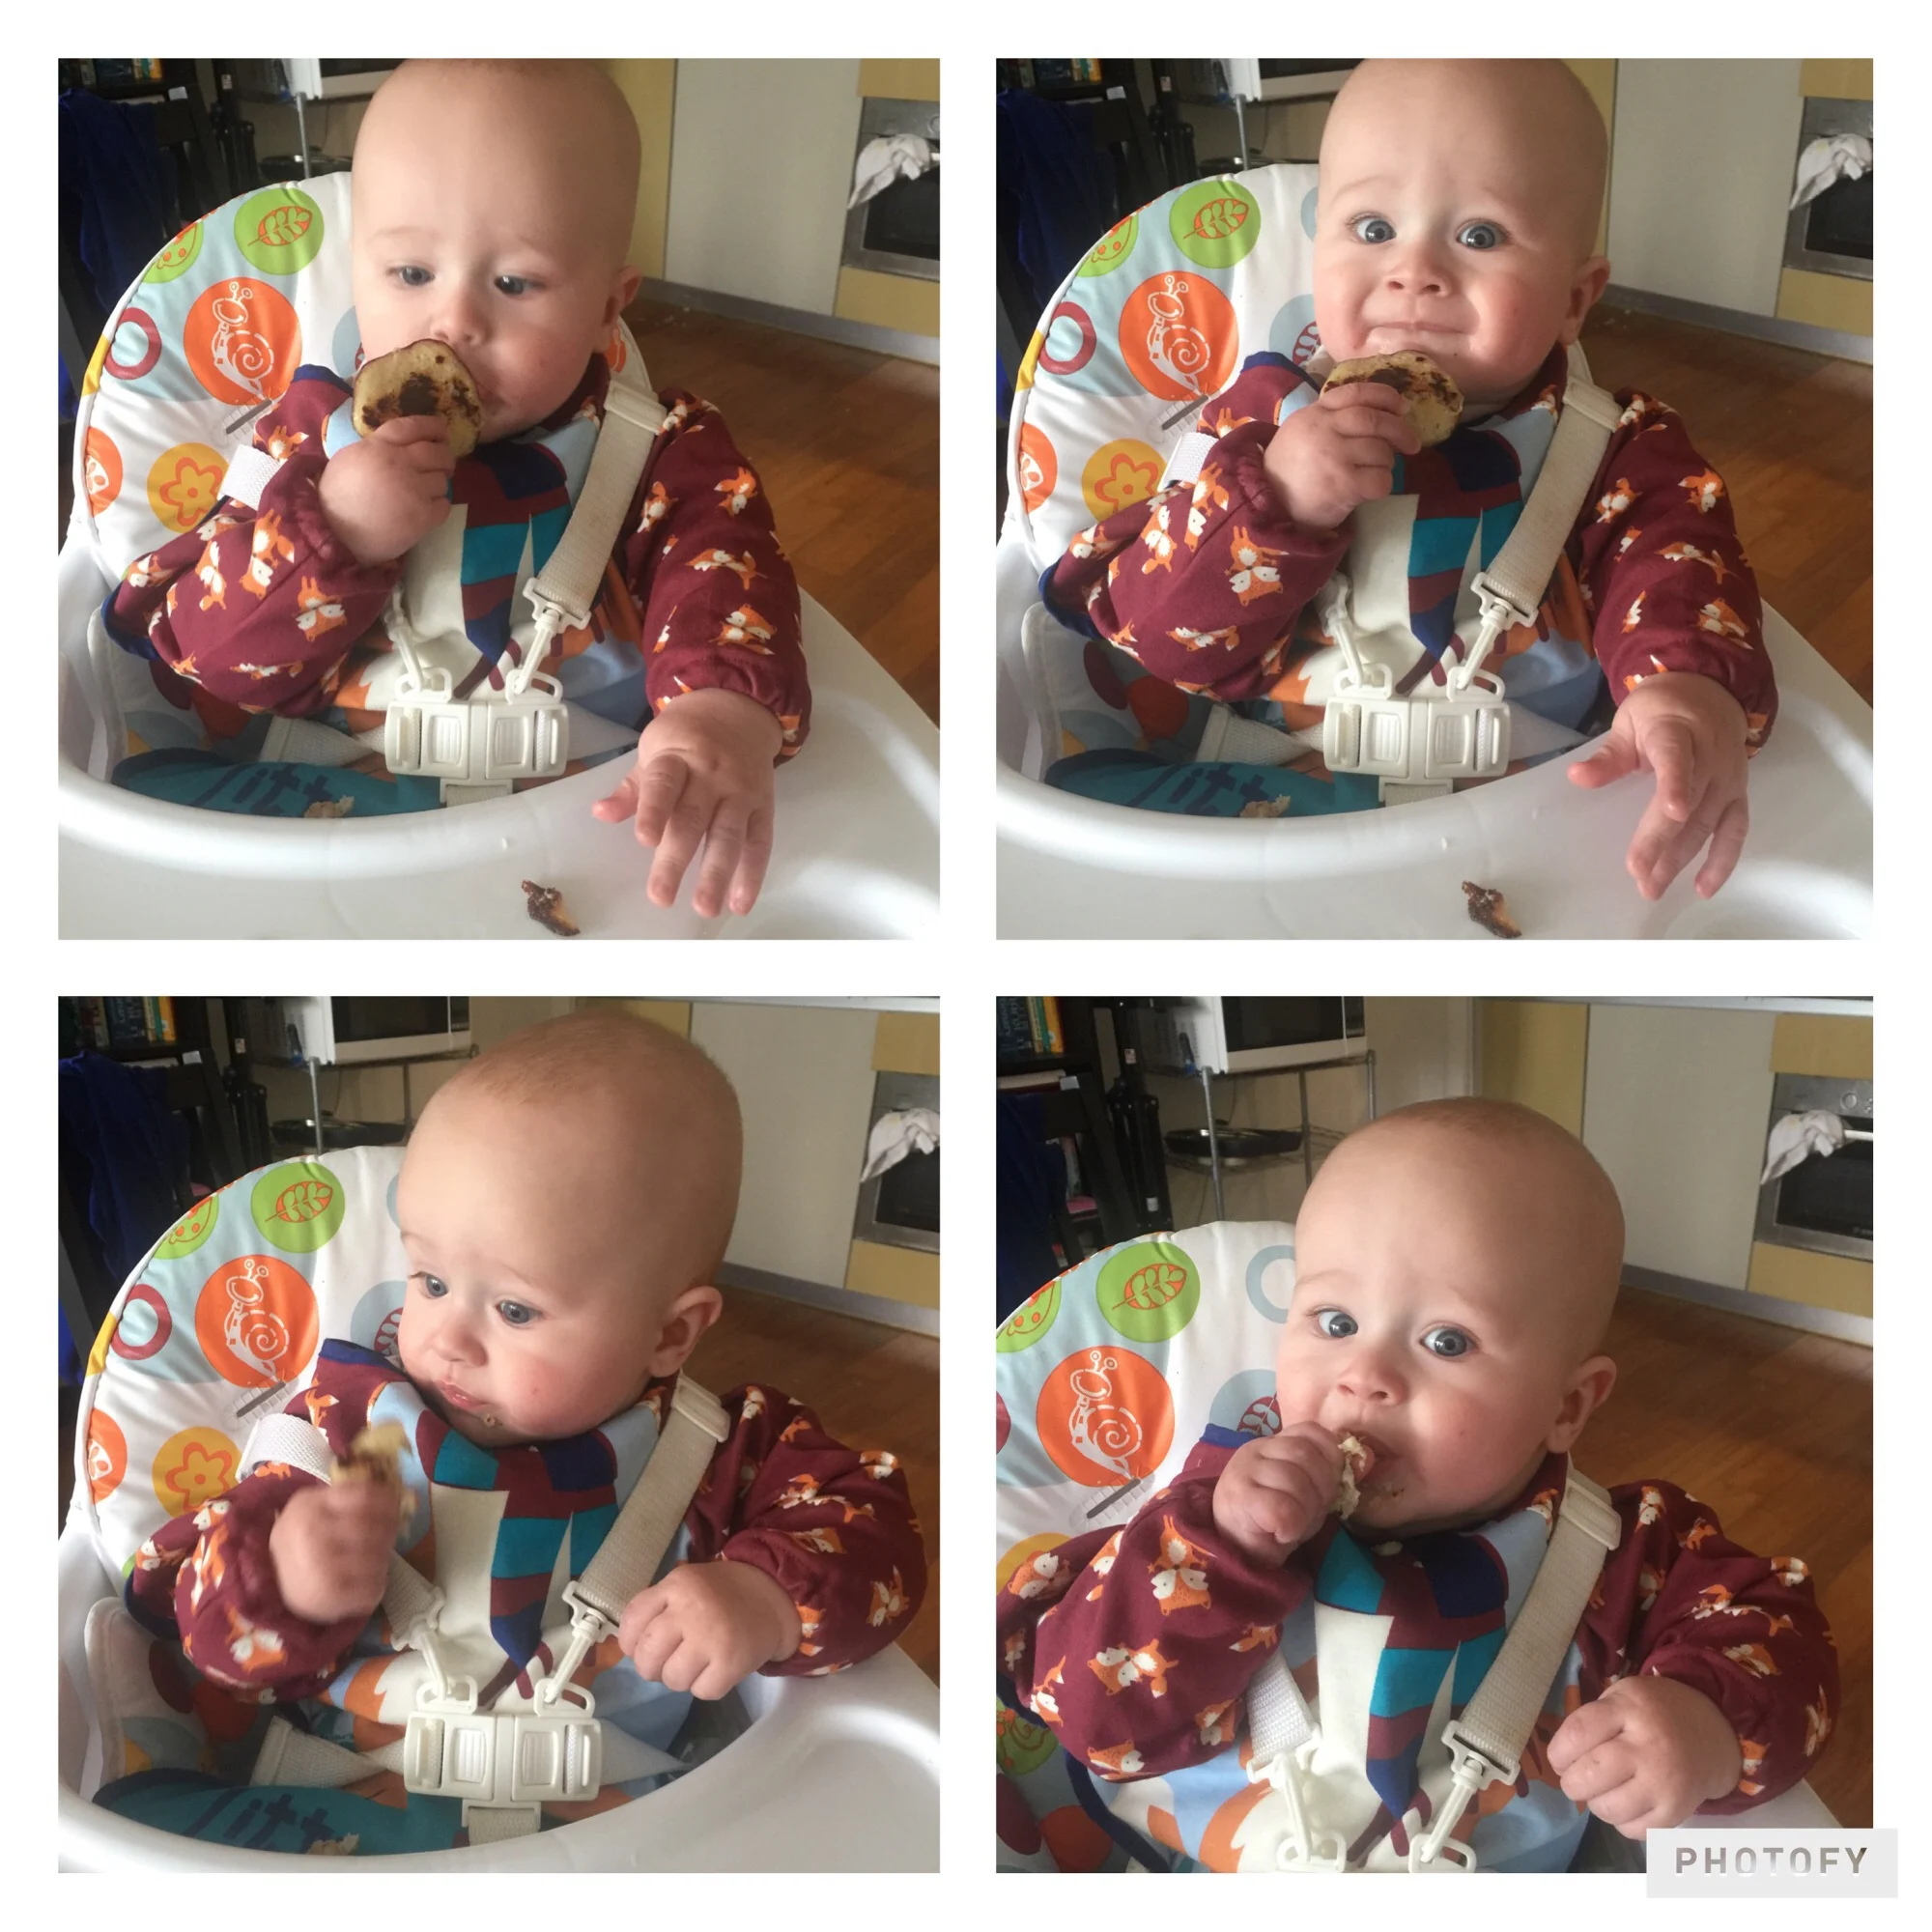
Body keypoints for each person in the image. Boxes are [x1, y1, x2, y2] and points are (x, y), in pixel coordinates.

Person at [125, 1012, 923, 1842]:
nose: (446, 1339)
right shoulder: (342, 1431)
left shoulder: (725, 1450)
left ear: (670, 1335)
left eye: (514, 1309)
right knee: (127, 1834)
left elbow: (879, 1539)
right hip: (348, 1807)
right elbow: (199, 1635)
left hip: (612, 1832)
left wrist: (763, 1597)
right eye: (429, 1280)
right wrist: (281, 1575)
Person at [997, 1099, 1835, 1872]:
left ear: (1568, 1405)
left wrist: (1703, 1720)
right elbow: (1080, 1712)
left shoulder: (1624, 1550)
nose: (1365, 1375)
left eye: (1446, 1340)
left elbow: (1785, 1642)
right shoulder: (1209, 1515)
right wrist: (1218, 1555)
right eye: (1335, 1323)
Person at [1042, 60, 1774, 901]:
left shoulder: (1621, 450)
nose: (1414, 271)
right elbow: (1156, 636)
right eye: (1373, 226)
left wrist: (1684, 687)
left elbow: (1676, 566)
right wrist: (1268, 503)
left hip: (1529, 805)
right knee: (1080, 844)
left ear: (1576, 300)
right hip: (1272, 792)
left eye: (1480, 236)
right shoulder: (1258, 423)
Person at [103, 61, 807, 919]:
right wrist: (329, 532)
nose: (455, 323)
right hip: (338, 795)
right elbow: (202, 653)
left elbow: (726, 574)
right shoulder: (305, 438)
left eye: (515, 283)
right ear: (358, 271)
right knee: (140, 809)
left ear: (606, 309)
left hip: (590, 802)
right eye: (409, 275)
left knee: (734, 849)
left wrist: (721, 712)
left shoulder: (664, 450)